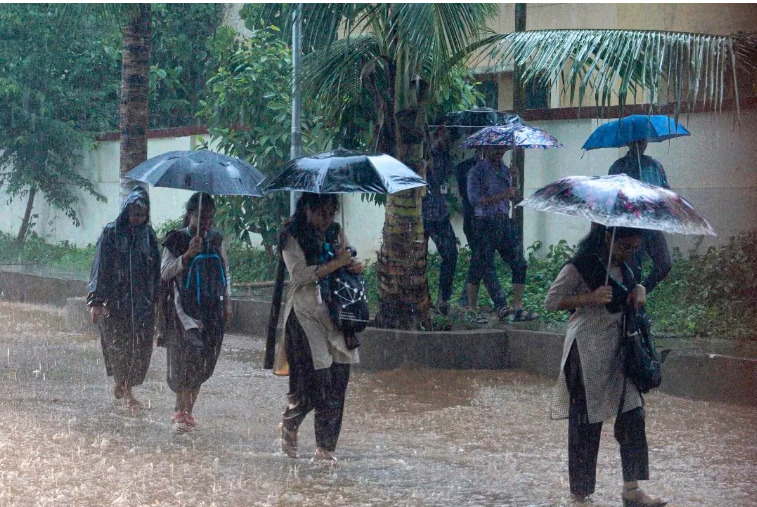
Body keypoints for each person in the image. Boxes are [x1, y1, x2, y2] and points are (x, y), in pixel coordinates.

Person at [544, 224, 666, 507]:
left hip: (620, 350)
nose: (629, 254)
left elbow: (629, 292)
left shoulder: (628, 267)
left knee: (633, 414)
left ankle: (632, 490)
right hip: (586, 351)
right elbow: (551, 302)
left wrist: (640, 290)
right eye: (625, 247)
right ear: (608, 236)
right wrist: (589, 298)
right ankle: (581, 495)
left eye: (635, 249)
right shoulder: (580, 266)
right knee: (586, 423)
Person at [274, 193, 362, 461]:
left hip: (336, 313)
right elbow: (299, 275)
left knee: (338, 383)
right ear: (308, 209)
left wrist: (354, 265)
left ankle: (325, 449)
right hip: (305, 314)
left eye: (331, 213)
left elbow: (350, 261)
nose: (327, 219)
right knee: (316, 383)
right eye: (322, 213)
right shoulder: (291, 235)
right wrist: (337, 263)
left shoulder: (336, 232)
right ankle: (291, 422)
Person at [160, 192, 232, 432]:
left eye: (210, 218)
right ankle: (179, 409)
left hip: (212, 310)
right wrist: (187, 255)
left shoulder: (215, 239)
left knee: (204, 362)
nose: (206, 223)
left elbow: (225, 270)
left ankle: (189, 411)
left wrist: (228, 302)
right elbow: (165, 272)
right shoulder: (176, 239)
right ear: (190, 214)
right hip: (184, 312)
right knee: (187, 359)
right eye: (201, 217)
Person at [87, 187, 161, 410]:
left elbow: (155, 271)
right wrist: (96, 301)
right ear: (126, 210)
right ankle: (127, 390)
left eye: (141, 214)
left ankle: (125, 383)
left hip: (142, 304)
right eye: (133, 212)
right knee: (119, 346)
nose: (137, 218)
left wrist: (158, 299)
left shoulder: (149, 236)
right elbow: (100, 267)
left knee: (140, 348)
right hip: (115, 303)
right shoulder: (112, 233)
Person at [466, 145, 538, 322]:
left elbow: (515, 199)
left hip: (503, 222)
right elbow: (474, 200)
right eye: (495, 148)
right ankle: (481, 308)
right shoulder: (477, 172)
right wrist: (501, 194)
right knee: (482, 265)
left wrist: (515, 180)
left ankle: (518, 308)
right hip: (483, 222)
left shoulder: (506, 171)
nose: (500, 152)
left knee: (519, 263)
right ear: (485, 148)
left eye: (503, 148)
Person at [608, 141, 672, 293]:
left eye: (643, 140)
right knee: (632, 271)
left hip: (651, 224)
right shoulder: (618, 167)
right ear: (628, 143)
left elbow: (665, 190)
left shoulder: (655, 165)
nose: (640, 144)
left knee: (664, 264)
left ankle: (640, 293)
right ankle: (630, 307)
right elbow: (612, 194)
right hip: (628, 226)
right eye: (635, 141)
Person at [455, 152, 500, 312]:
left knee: (481, 260)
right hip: (474, 220)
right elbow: (468, 196)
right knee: (484, 260)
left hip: (492, 221)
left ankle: (465, 299)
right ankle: (498, 303)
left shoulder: (499, 168)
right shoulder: (466, 168)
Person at [424, 126, 459, 315]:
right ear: (438, 133)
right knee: (418, 259)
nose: (448, 144)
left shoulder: (446, 157)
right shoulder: (423, 153)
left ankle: (443, 299)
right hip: (421, 213)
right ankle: (423, 299)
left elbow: (447, 182)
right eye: (446, 139)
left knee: (451, 255)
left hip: (440, 213)